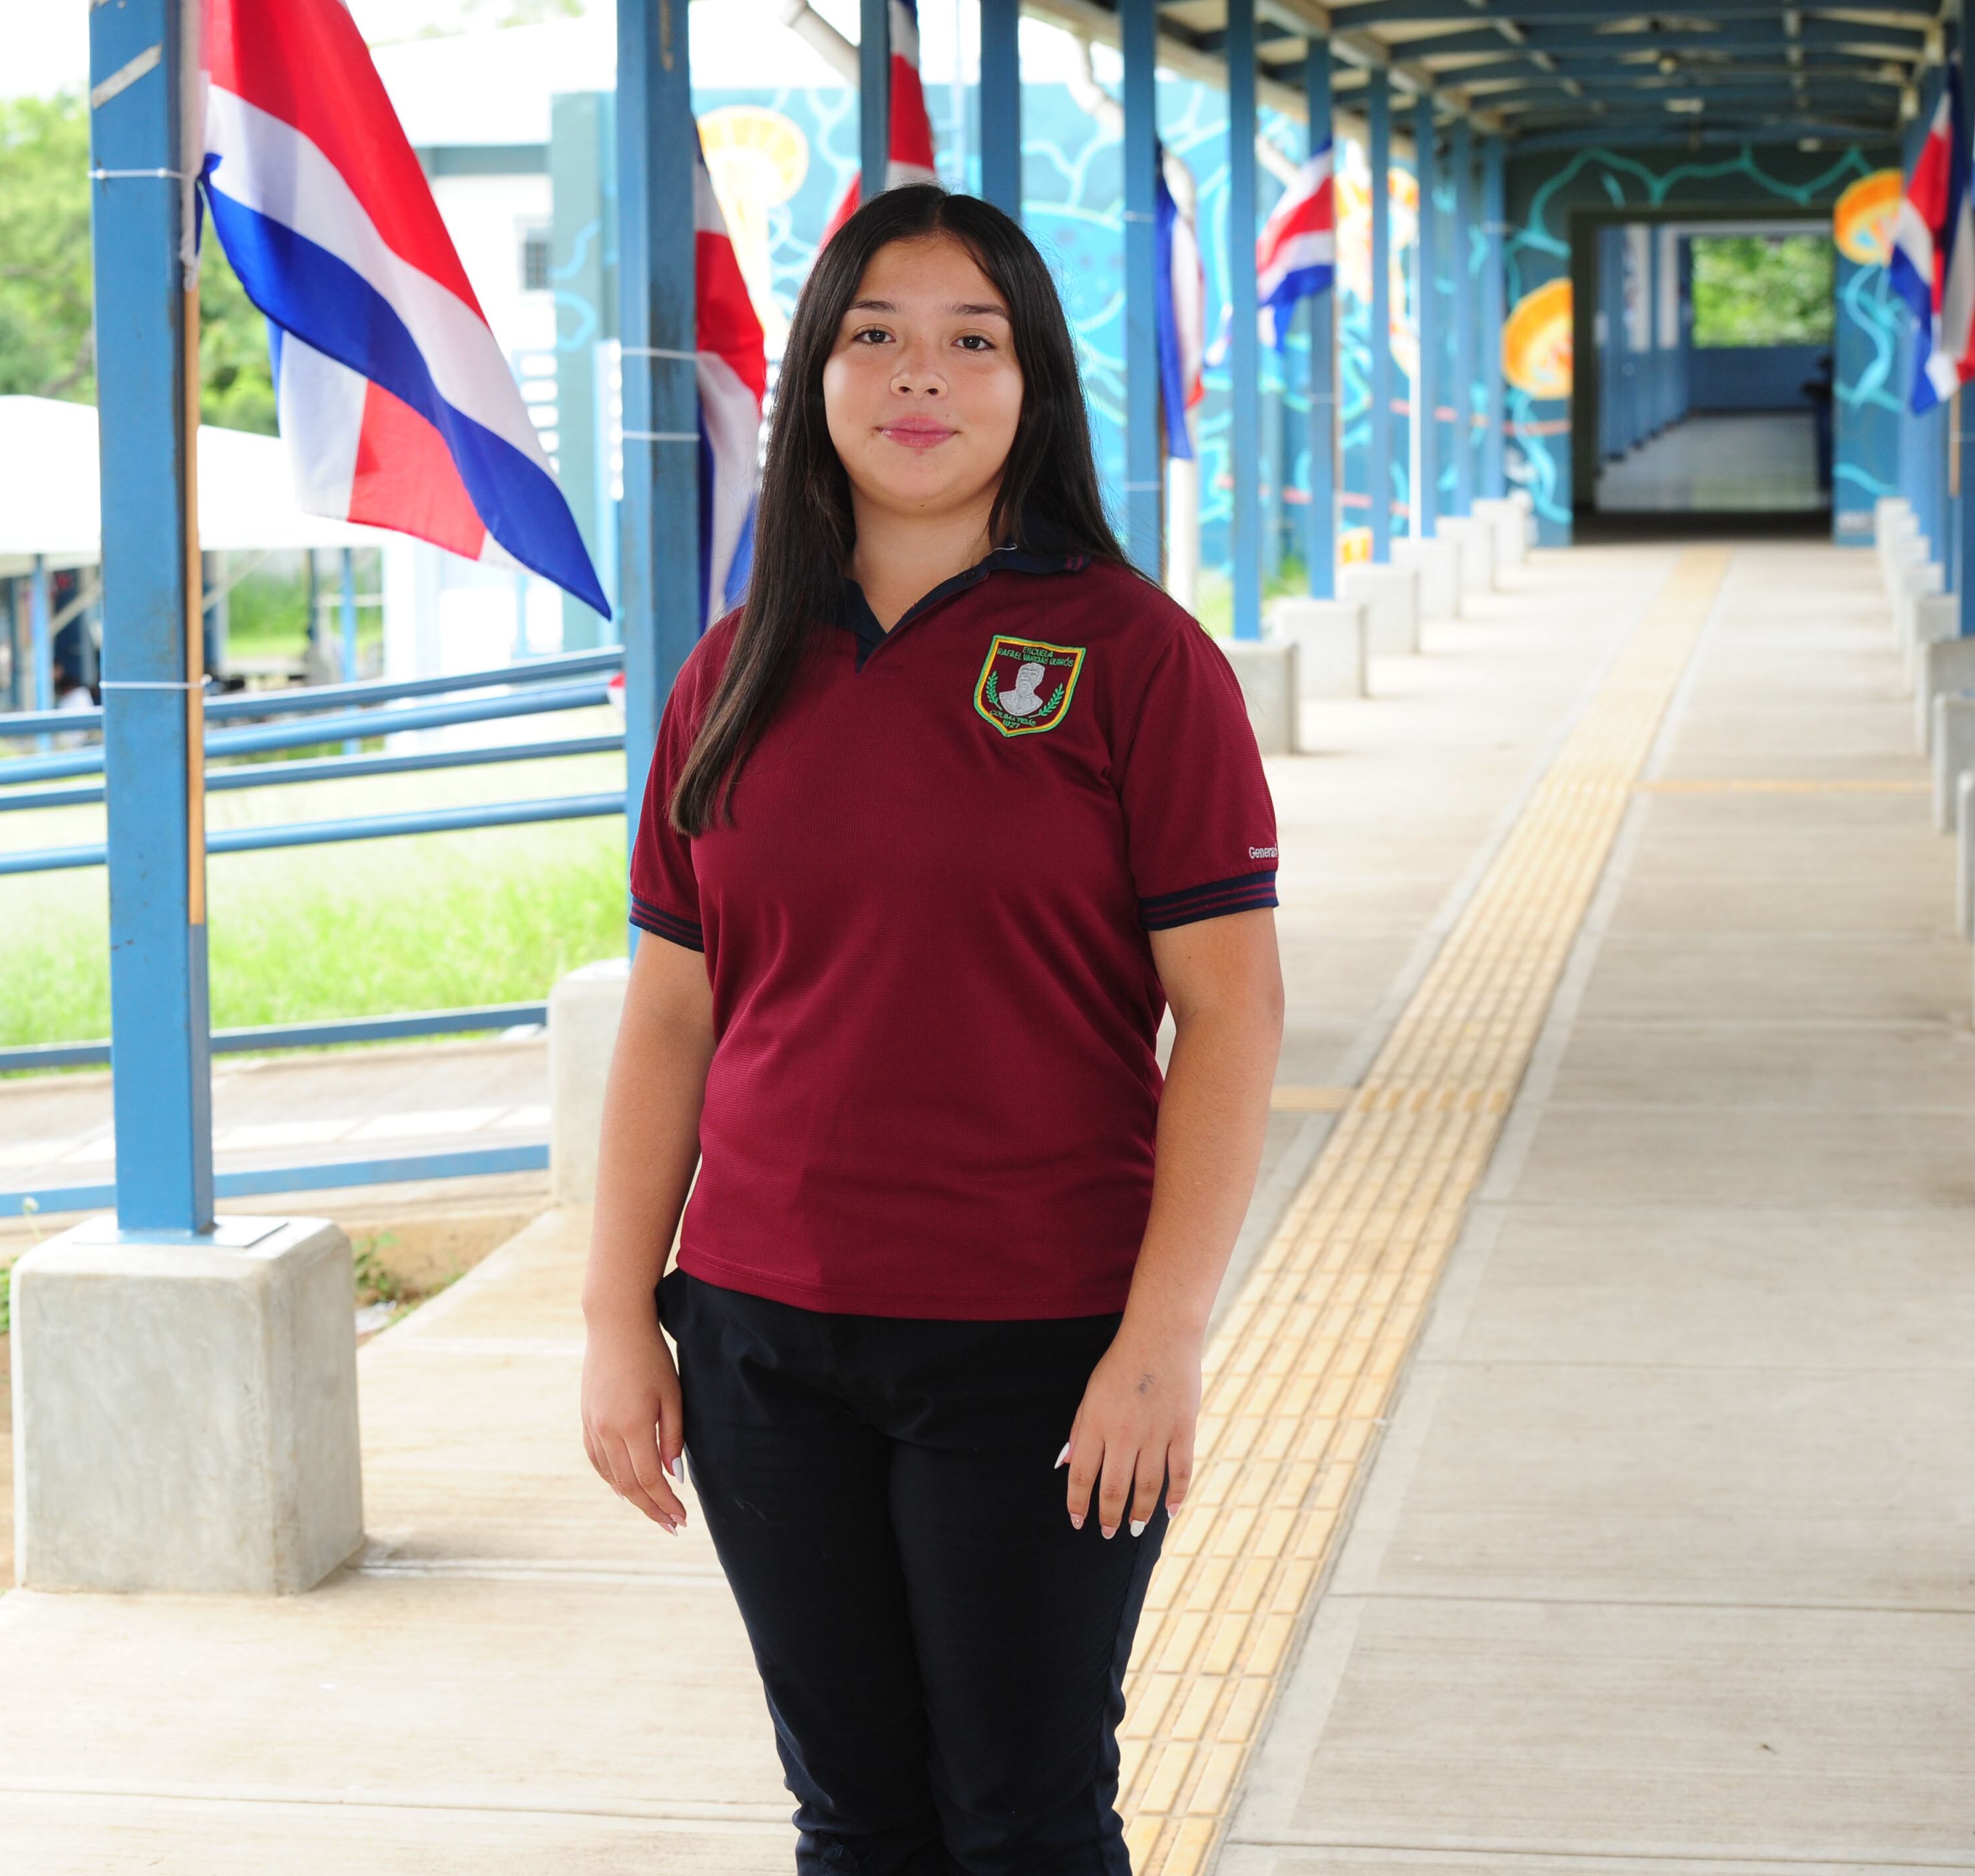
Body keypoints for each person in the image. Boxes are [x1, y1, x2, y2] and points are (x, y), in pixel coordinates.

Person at [578, 184, 1284, 1873]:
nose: (920, 377)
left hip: (1036, 1338)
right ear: (815, 378)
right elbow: (671, 1016)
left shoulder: (1135, 657)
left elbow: (1231, 1016)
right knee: (854, 1819)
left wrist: (1161, 1340)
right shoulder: (731, 671)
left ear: (1034, 384)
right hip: (761, 1340)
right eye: (875, 336)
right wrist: (615, 1318)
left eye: (973, 341)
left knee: (1023, 1821)